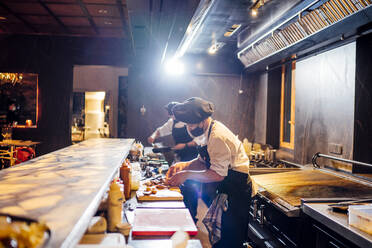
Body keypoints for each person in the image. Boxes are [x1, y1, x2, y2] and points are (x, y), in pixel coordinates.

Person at [166, 97, 252, 248]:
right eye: (188, 124)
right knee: (221, 239)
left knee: (230, 239)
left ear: (204, 119)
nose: (190, 128)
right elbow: (202, 161)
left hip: (236, 190)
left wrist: (186, 174)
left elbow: (217, 174)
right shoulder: (206, 132)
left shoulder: (217, 136)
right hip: (226, 187)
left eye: (192, 124)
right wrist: (183, 166)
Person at [147, 101, 200, 220]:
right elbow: (160, 130)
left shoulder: (189, 122)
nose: (169, 116)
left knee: (191, 187)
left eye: (170, 114)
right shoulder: (172, 122)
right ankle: (181, 212)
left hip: (193, 158)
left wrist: (185, 145)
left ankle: (192, 216)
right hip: (179, 158)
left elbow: (199, 140)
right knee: (179, 185)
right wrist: (153, 136)